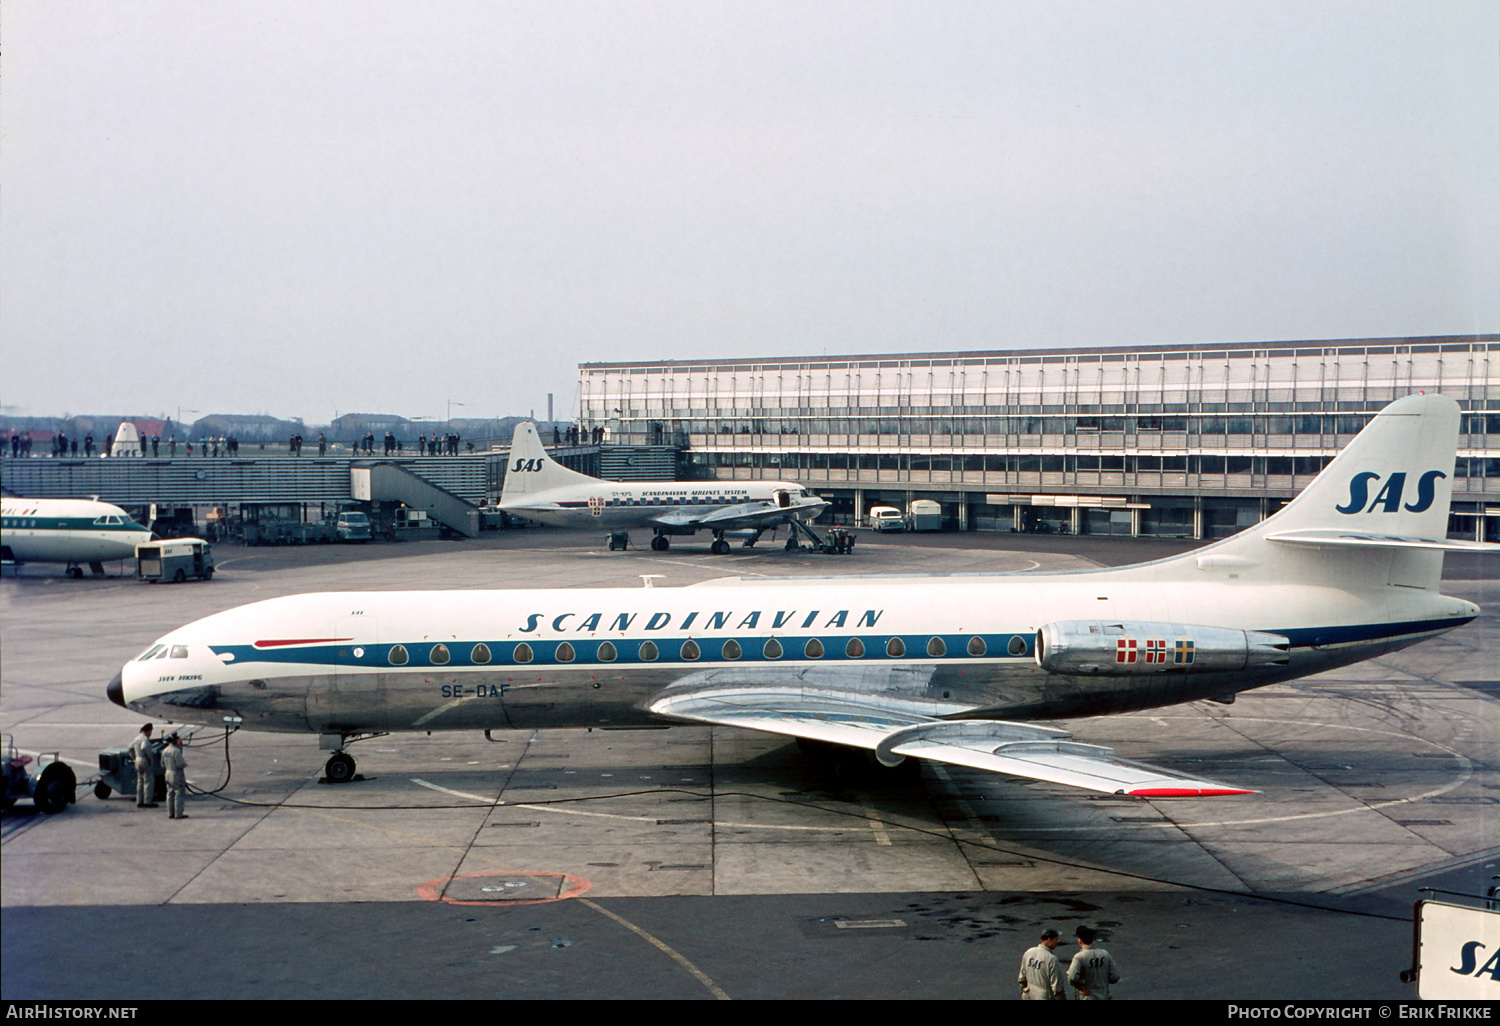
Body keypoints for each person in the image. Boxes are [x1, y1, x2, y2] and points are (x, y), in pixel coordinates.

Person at [1067, 925, 1120, 1000]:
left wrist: (1081, 988)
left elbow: (1072, 978)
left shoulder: (1079, 957)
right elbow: (1115, 977)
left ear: (1079, 940)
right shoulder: (1105, 954)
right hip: (1104, 996)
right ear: (1093, 939)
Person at [1018, 929, 1067, 1000]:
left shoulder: (1029, 952)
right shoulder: (1051, 959)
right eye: (1056, 939)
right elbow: (1057, 987)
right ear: (1049, 940)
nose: (1057, 942)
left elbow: (1022, 979)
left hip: (1028, 995)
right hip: (1044, 997)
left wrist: (1023, 991)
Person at [129, 723, 157, 808]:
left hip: (137, 759)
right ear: (148, 731)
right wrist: (148, 757)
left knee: (140, 781)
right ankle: (148, 801)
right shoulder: (145, 739)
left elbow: (130, 748)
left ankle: (139, 800)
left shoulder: (137, 738)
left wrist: (134, 757)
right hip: (144, 760)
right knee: (148, 780)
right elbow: (144, 747)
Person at [162, 734, 189, 819]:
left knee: (170, 793)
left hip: (168, 773)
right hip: (176, 774)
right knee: (179, 794)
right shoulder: (176, 751)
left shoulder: (165, 750)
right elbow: (180, 764)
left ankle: (170, 813)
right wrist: (185, 764)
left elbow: (162, 764)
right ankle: (178, 814)